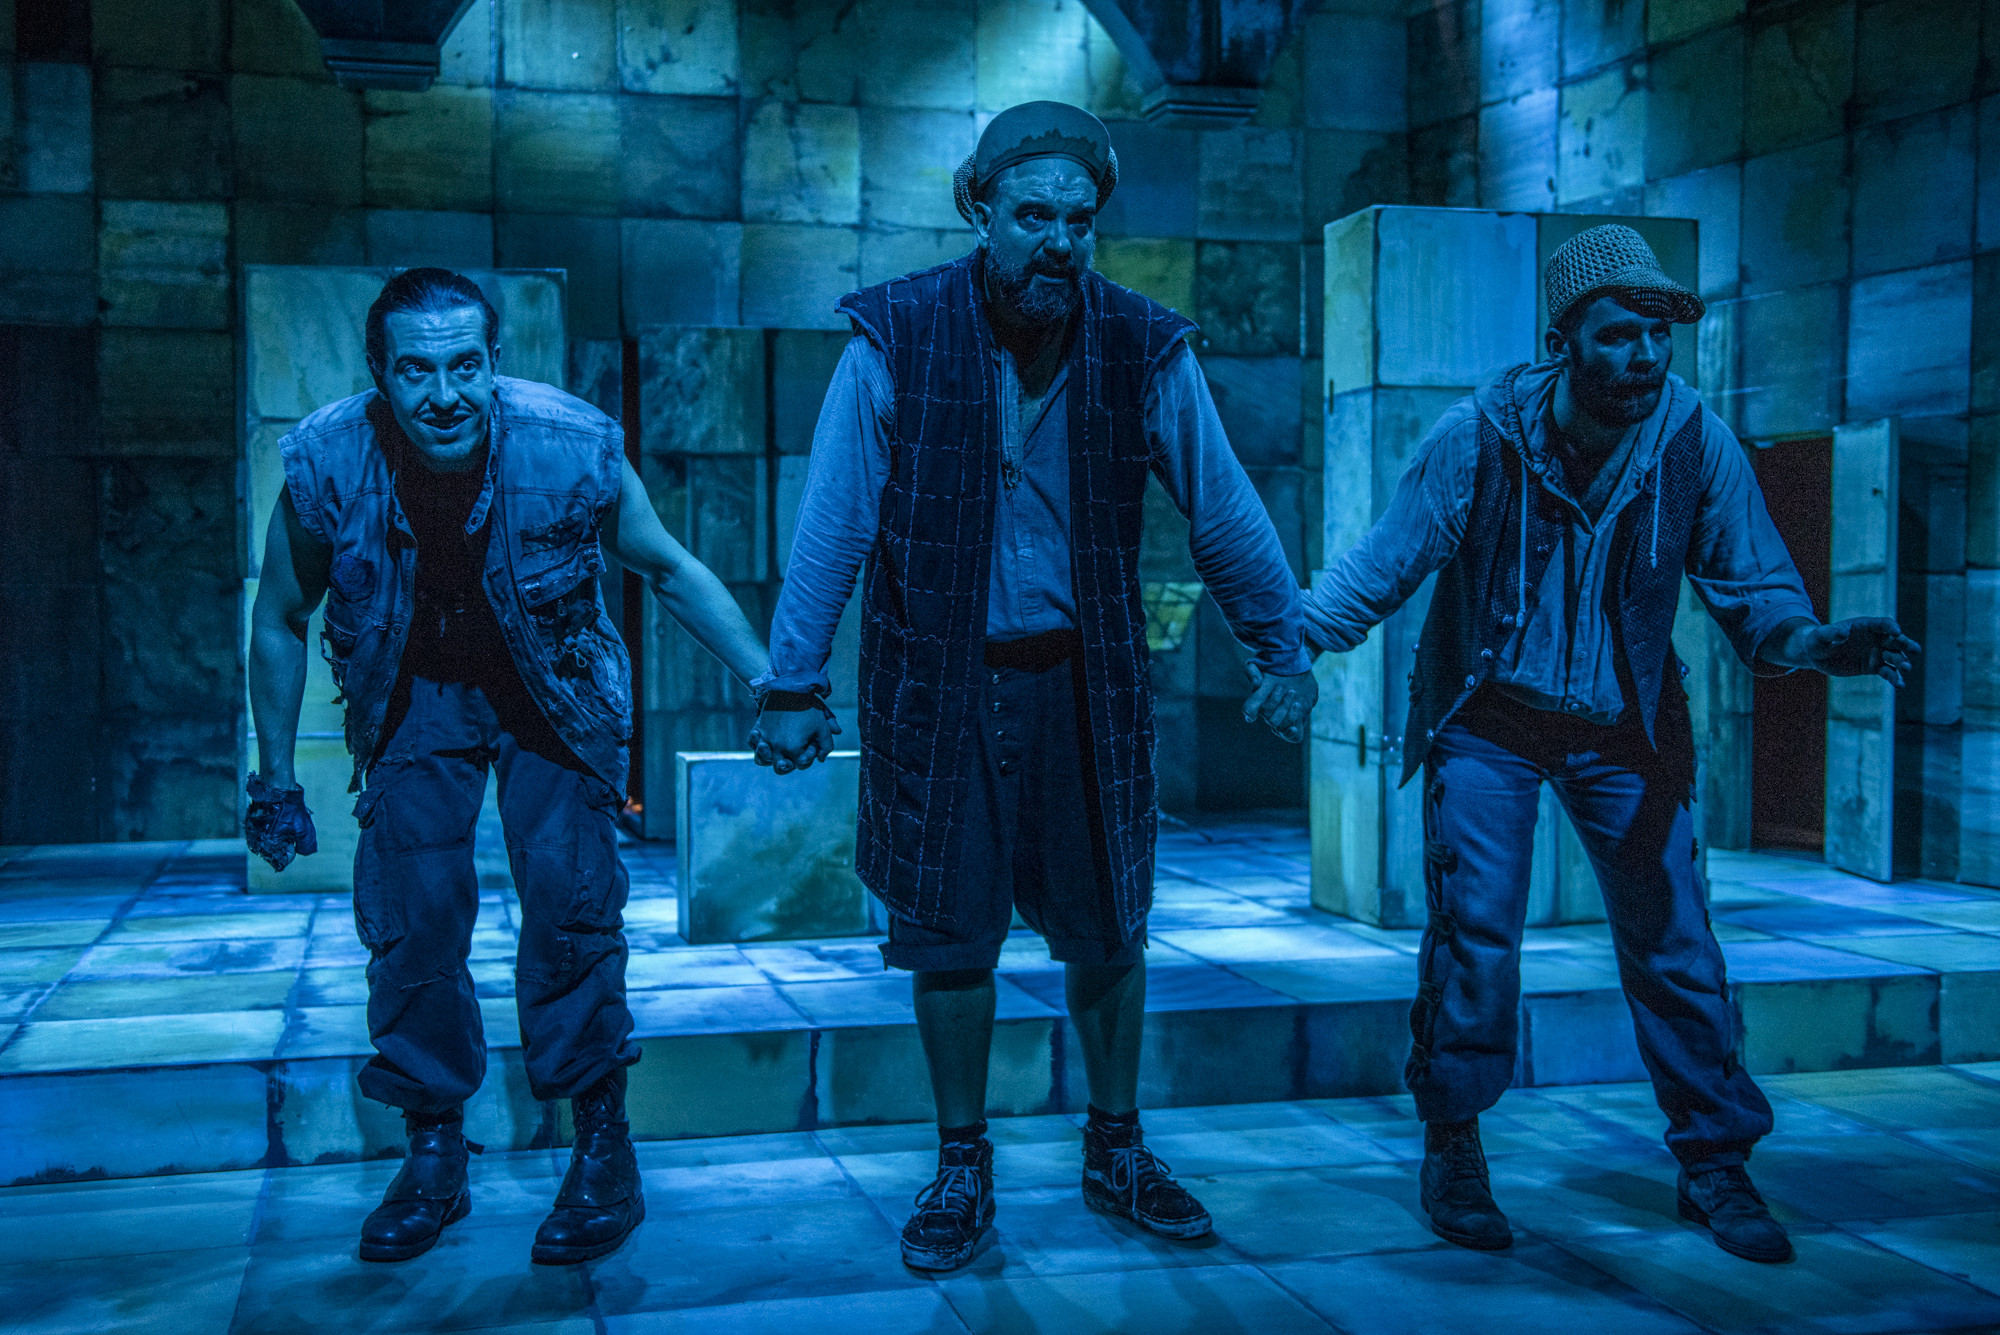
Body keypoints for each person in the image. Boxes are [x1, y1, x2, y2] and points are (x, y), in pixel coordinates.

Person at [754, 101, 1320, 1273]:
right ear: (980, 210)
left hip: (1084, 681)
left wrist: (1280, 647)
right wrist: (792, 680)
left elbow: (1220, 508)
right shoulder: (894, 336)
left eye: (1078, 219)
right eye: (1032, 216)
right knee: (947, 933)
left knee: (1107, 924)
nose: (1058, 241)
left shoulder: (1142, 344)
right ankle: (961, 1162)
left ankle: (1115, 1147)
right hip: (938, 684)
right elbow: (833, 519)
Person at [1301, 225, 1919, 1264]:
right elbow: (1382, 563)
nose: (1643, 356)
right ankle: (1454, 1141)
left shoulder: (1691, 440)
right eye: (1619, 335)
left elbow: (1754, 585)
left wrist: (1813, 642)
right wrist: (1294, 648)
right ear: (1562, 343)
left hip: (1623, 724)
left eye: (1657, 335)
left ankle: (1714, 1159)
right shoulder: (1478, 435)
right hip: (1490, 719)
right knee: (1474, 935)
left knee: (1675, 938)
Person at [244, 268, 771, 1265]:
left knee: (571, 904)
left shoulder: (570, 444)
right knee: (413, 916)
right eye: (416, 371)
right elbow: (279, 613)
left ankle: (602, 1146)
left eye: (463, 366)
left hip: (552, 687)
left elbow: (665, 565)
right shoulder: (328, 459)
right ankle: (433, 1150)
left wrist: (773, 682)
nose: (443, 394)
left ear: (494, 363)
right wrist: (274, 777)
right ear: (380, 375)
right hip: (411, 687)